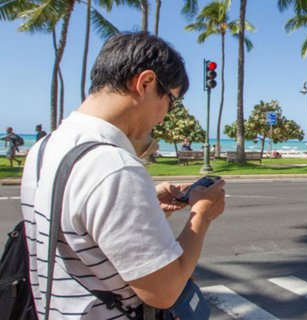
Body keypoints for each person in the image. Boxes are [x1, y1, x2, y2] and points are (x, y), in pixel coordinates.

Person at [20, 32, 226, 319]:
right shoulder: (115, 168)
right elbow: (164, 291)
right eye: (172, 100)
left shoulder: (45, 147)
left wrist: (146, 206)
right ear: (146, 83)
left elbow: (73, 227)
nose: (165, 115)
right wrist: (202, 214)